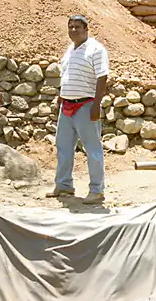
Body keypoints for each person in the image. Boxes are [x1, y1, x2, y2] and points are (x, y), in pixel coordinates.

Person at [46, 15, 109, 204]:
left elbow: (102, 77)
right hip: (67, 106)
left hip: (86, 105)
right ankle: (64, 185)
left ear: (86, 29)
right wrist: (60, 97)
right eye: (71, 27)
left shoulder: (95, 49)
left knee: (92, 149)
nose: (73, 30)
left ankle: (97, 190)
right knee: (63, 147)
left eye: (78, 27)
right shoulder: (70, 50)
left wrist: (96, 105)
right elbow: (66, 75)